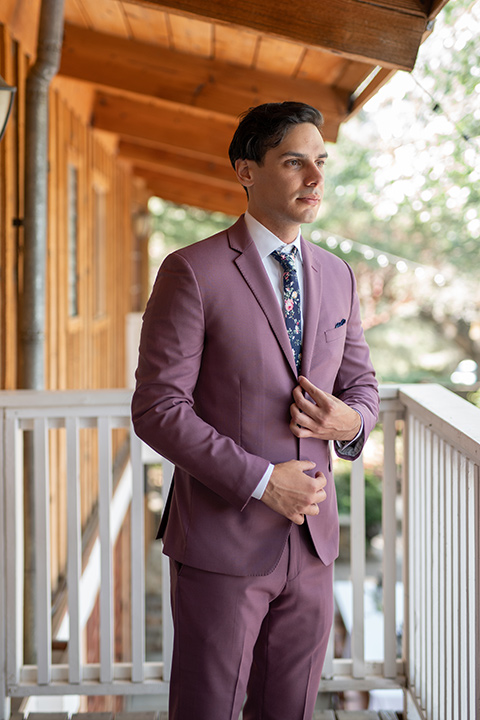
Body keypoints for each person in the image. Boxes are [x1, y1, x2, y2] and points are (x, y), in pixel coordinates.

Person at [132, 101, 379, 720]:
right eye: (296, 162)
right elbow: (158, 408)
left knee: (288, 710)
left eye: (321, 162)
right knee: (208, 709)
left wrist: (350, 425)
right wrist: (264, 482)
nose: (315, 180)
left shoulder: (338, 274)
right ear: (248, 171)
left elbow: (363, 387)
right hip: (223, 540)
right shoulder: (192, 271)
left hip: (315, 545)